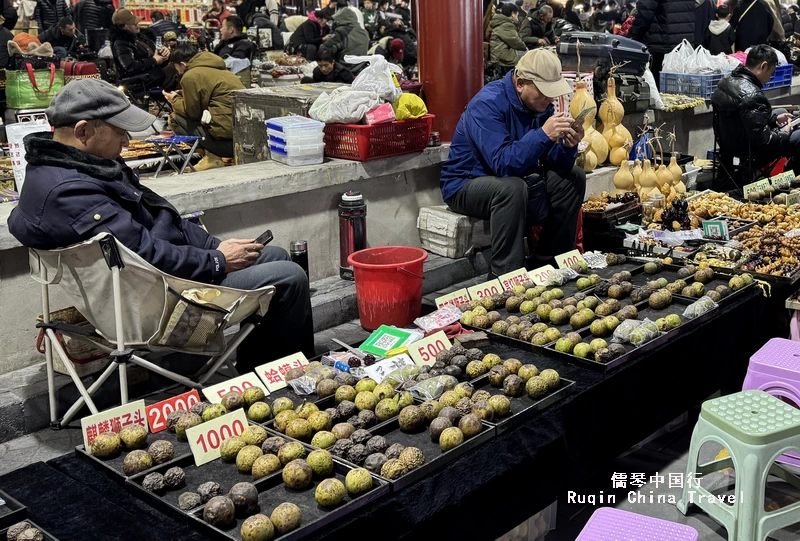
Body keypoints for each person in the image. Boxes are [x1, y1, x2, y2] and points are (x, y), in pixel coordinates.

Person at [7, 79, 314, 369]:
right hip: (157, 301)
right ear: (84, 131)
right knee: (288, 275)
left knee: (272, 256)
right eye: (120, 131)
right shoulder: (68, 191)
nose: (127, 141)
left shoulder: (82, 165)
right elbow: (144, 256)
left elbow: (158, 213)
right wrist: (218, 262)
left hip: (162, 280)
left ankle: (260, 369)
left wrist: (214, 246)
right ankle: (283, 378)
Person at [440, 49, 586, 277]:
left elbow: (551, 161)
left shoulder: (539, 105)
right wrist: (543, 135)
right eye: (544, 92)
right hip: (465, 184)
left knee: (572, 177)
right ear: (520, 83)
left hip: (514, 179)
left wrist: (568, 147)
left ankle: (549, 265)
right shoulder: (487, 104)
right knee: (511, 188)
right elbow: (502, 164)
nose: (549, 99)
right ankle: (507, 276)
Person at [711, 45, 797, 172]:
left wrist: (773, 119)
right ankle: (791, 178)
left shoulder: (727, 80)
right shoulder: (753, 95)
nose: (769, 79)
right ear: (763, 66)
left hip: (726, 143)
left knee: (781, 112)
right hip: (749, 149)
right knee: (798, 136)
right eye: (770, 73)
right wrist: (784, 132)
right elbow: (764, 142)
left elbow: (747, 117)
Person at [164, 44, 244, 168]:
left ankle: (212, 157)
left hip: (224, 139)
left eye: (176, 67)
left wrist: (174, 99)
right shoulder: (223, 71)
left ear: (182, 64)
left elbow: (192, 113)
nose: (177, 71)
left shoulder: (190, 75)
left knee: (175, 118)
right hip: (242, 135)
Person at [627, 0, 696, 86]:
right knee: (678, 90)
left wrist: (631, 36)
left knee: (657, 87)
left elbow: (645, 13)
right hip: (683, 43)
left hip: (660, 44)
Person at [111, 9, 170, 87]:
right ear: (124, 26)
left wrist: (164, 53)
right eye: (134, 23)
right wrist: (154, 61)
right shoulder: (121, 43)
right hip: (141, 82)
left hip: (154, 75)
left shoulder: (141, 37)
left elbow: (152, 55)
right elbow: (129, 67)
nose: (138, 25)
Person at [490, 3, 527, 70]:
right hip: (503, 59)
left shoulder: (501, 22)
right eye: (517, 15)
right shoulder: (506, 25)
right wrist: (525, 48)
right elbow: (516, 42)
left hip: (500, 55)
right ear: (513, 14)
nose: (517, 18)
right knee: (527, 57)